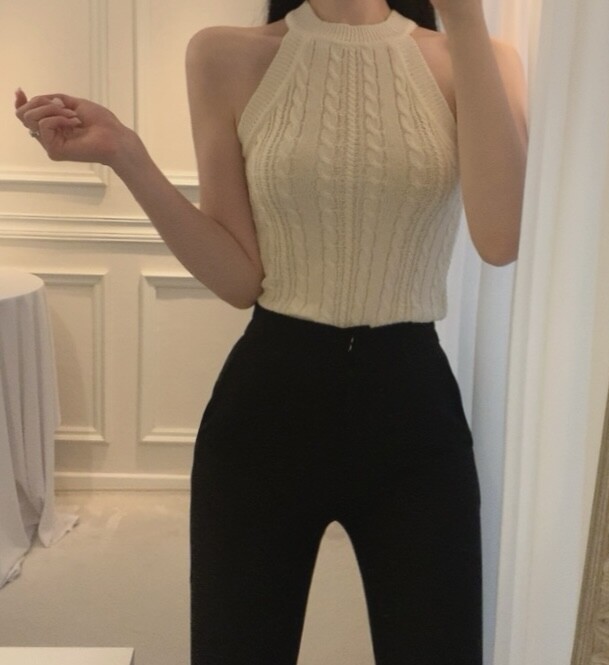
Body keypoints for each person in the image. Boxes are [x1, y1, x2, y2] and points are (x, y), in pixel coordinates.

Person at [14, 0, 528, 662]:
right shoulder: (225, 54)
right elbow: (238, 278)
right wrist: (126, 155)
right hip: (267, 410)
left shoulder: (481, 57)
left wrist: (464, 17)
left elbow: (500, 236)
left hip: (413, 413)